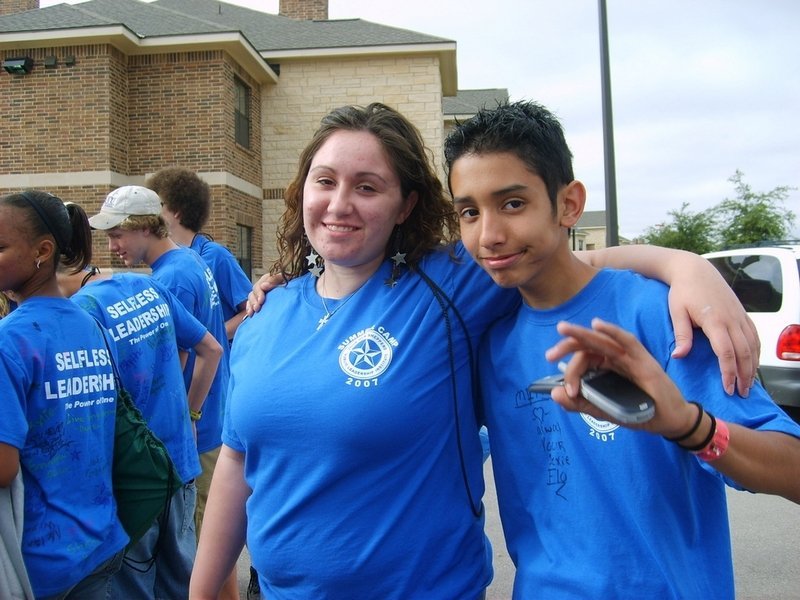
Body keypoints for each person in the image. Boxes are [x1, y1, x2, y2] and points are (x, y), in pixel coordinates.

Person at [190, 103, 759, 599]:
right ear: (303, 190)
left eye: (367, 187)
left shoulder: (451, 286)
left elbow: (561, 260)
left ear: (405, 205)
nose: (340, 204)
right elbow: (238, 461)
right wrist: (203, 588)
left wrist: (684, 265)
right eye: (325, 181)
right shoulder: (265, 316)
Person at [444, 99, 800, 598]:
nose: (490, 235)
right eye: (469, 212)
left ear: (569, 204)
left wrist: (689, 426)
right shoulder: (489, 339)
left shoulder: (660, 313)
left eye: (513, 204)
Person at [56, 202, 224, 598]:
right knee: (184, 579)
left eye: (117, 235)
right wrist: (189, 413)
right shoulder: (145, 285)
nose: (113, 246)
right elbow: (210, 348)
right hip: (178, 463)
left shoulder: (82, 315)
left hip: (135, 480)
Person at [87, 185, 231, 550]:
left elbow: (180, 360)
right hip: (214, 418)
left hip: (198, 432)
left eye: (117, 235)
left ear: (145, 227)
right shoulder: (188, 258)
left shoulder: (170, 280)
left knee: (203, 549)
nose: (112, 246)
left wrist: (190, 415)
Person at [0, 190, 128, 599]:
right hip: (101, 539)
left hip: (41, 562)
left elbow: (3, 468)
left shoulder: (10, 340)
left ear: (43, 251)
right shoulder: (90, 323)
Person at [148, 167, 252, 342]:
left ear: (177, 210)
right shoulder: (165, 262)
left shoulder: (216, 256)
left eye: (158, 205)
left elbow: (251, 308)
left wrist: (211, 338)